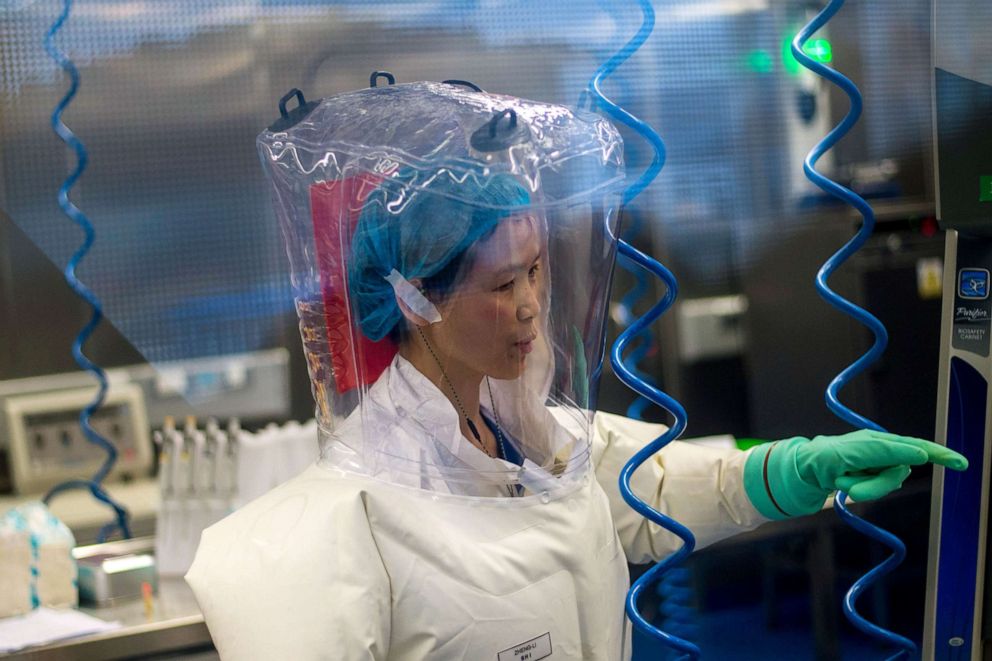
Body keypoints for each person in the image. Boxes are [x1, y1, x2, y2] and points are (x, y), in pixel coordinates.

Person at [186, 82, 966, 660]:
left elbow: (652, 486)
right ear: (415, 299)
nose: (529, 306)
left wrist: (799, 467)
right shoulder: (351, 512)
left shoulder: (528, 434)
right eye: (500, 284)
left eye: (534, 272)